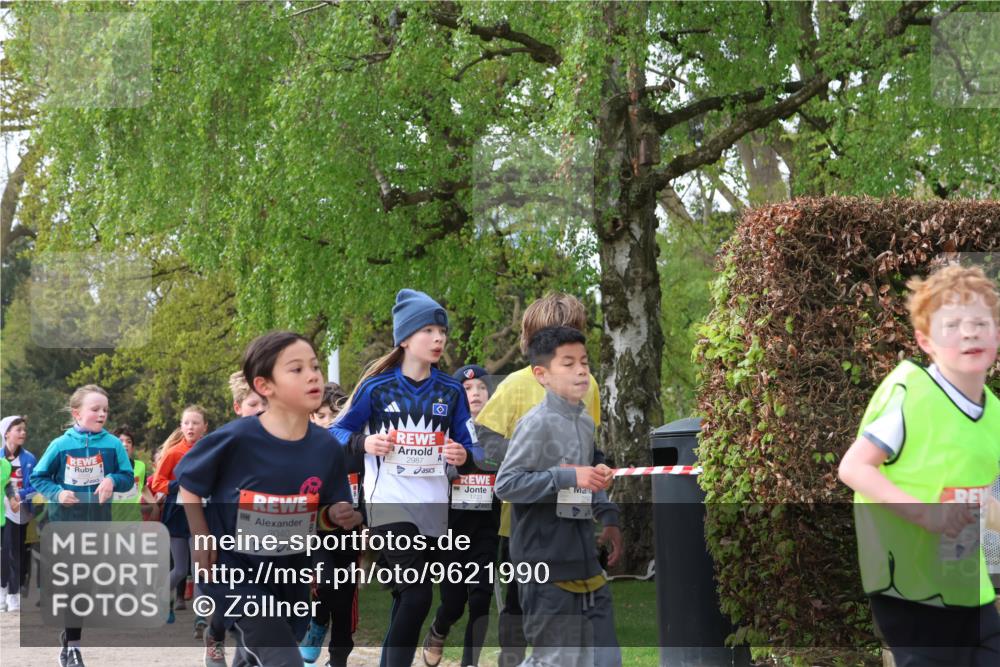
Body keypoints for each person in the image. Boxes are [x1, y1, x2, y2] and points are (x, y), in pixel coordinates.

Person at [838, 264, 1000, 666]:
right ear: (925, 340)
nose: (969, 332)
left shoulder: (995, 414)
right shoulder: (909, 395)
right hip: (909, 591)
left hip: (965, 583)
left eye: (981, 322)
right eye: (953, 325)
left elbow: (987, 498)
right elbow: (854, 468)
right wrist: (925, 514)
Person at [177, 331, 361, 667]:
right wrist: (200, 534)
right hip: (233, 572)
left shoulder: (326, 448)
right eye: (297, 369)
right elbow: (188, 484)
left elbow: (323, 515)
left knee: (263, 650)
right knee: (282, 656)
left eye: (315, 367)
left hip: (289, 578)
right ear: (265, 386)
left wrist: (336, 516)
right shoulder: (236, 439)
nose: (313, 375)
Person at [330, 289, 479, 667]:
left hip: (433, 511)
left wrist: (462, 455)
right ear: (405, 338)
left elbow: (475, 448)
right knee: (418, 596)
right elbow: (335, 433)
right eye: (428, 330)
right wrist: (366, 442)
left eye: (442, 331)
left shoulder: (450, 390)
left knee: (405, 598)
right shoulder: (377, 387)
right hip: (387, 505)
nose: (439, 338)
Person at [475, 293, 621, 667]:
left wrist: (604, 505)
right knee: (521, 615)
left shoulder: (587, 390)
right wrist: (549, 467)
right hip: (525, 530)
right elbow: (485, 446)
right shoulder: (515, 385)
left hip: (575, 529)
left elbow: (590, 455)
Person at [29, 385, 134, 667]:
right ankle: (73, 648)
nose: (102, 414)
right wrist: (58, 493)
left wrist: (112, 480)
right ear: (77, 413)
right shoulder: (60, 445)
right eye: (95, 409)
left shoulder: (112, 444)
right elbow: (38, 477)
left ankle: (69, 635)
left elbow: (127, 475)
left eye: (105, 410)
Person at [422, 364, 501, 667]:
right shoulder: (443, 433)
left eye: (481, 387)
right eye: (467, 389)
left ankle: (470, 662)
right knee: (454, 603)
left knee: (481, 600)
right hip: (451, 528)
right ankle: (439, 629)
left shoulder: (499, 434)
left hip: (486, 525)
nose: (475, 393)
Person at [299, 381, 361, 667]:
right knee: (326, 583)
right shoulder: (303, 450)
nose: (328, 422)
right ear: (311, 417)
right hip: (315, 535)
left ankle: (338, 656)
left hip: (351, 535)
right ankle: (317, 622)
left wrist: (363, 517)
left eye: (335, 416)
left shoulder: (356, 451)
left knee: (345, 595)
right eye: (321, 416)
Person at [148, 406, 209, 632]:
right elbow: (157, 483)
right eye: (186, 423)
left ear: (205, 427)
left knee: (200, 568)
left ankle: (200, 618)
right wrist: (179, 486)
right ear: (181, 427)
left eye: (195, 423)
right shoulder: (174, 453)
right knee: (181, 569)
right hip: (177, 513)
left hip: (201, 512)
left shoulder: (209, 450)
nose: (190, 427)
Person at [1, 415, 35, 612]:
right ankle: (4, 593)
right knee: (6, 552)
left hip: (22, 512)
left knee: (19, 554)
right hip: (3, 511)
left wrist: (19, 497)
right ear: (6, 433)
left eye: (24, 429)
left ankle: (14, 594)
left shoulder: (29, 459)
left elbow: (35, 486)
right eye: (18, 429)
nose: (23, 433)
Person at [110, 427, 154, 522]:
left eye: (129, 442)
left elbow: (143, 488)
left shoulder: (140, 466)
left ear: (133, 448)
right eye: (120, 441)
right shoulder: (106, 468)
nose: (125, 444)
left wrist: (155, 506)